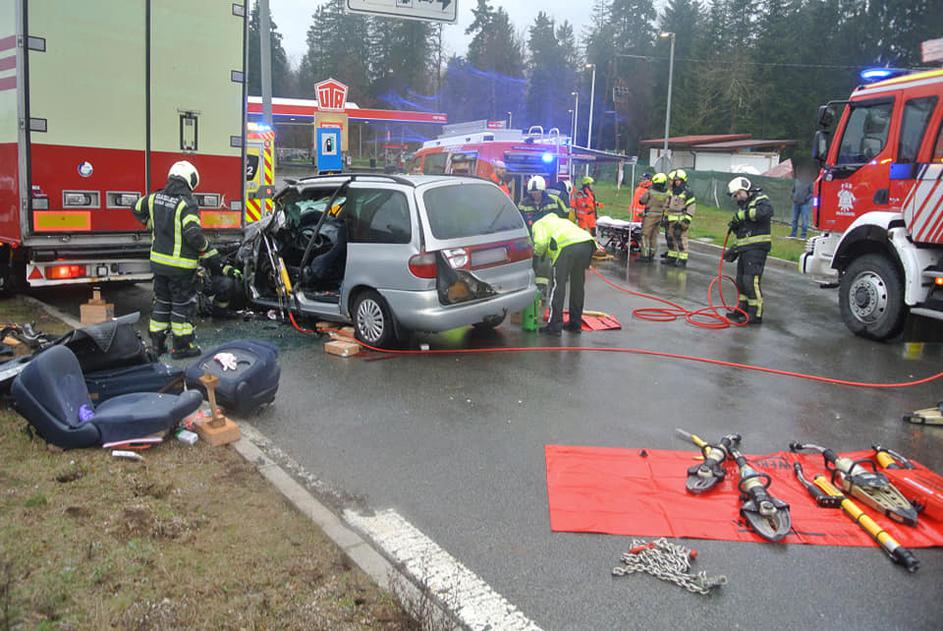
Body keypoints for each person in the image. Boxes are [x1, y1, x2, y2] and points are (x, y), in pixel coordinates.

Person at [131, 161, 241, 358]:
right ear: (190, 180)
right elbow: (193, 234)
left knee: (162, 303)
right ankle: (182, 347)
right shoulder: (187, 203)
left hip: (159, 265)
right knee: (182, 306)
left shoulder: (154, 198)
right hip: (180, 267)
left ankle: (157, 345)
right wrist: (206, 248)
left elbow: (135, 207)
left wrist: (149, 223)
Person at [531, 213, 596, 336]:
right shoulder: (562, 222)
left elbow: (540, 243)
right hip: (587, 244)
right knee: (578, 286)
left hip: (567, 248)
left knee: (558, 286)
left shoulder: (539, 224)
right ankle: (575, 324)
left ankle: (554, 326)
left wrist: (537, 253)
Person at [725, 176, 773, 325]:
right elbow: (744, 233)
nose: (737, 198)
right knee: (741, 281)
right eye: (735, 196)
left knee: (751, 281)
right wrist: (734, 248)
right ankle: (742, 310)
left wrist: (742, 216)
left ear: (746, 189)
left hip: (757, 249)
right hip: (746, 249)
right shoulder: (744, 205)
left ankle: (755, 313)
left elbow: (764, 212)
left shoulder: (761, 199)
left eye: (738, 194)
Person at [662, 169, 696, 267]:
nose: (676, 182)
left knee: (681, 239)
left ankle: (682, 259)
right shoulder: (672, 192)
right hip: (670, 219)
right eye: (675, 180)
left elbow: (691, 207)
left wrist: (687, 220)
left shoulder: (687, 193)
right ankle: (672, 257)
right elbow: (666, 205)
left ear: (683, 180)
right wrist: (664, 217)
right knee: (670, 238)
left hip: (681, 220)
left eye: (678, 180)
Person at [637, 173, 669, 262]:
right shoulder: (667, 193)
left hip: (650, 215)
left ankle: (645, 255)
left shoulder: (650, 191)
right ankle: (652, 254)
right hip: (660, 215)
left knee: (645, 235)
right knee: (654, 236)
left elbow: (642, 201)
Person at [789, 172, 813, 239]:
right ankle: (793, 234)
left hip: (804, 204)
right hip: (795, 203)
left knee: (804, 220)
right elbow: (793, 190)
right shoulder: (797, 180)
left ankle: (803, 235)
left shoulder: (809, 182)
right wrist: (793, 197)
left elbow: (812, 193)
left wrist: (806, 199)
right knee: (794, 219)